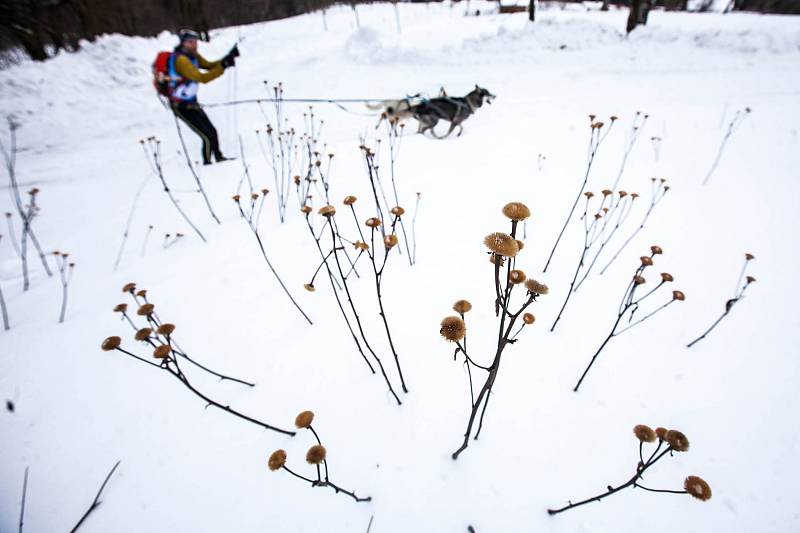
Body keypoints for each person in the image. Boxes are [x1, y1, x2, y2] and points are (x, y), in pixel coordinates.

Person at [169, 29, 238, 165]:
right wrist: (223, 67)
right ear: (183, 43)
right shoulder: (181, 60)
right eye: (190, 42)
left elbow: (209, 66)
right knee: (206, 136)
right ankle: (207, 165)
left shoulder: (193, 56)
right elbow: (202, 78)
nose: (194, 45)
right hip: (181, 106)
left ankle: (219, 157)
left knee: (212, 131)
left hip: (192, 103)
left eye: (195, 42)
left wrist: (227, 58)